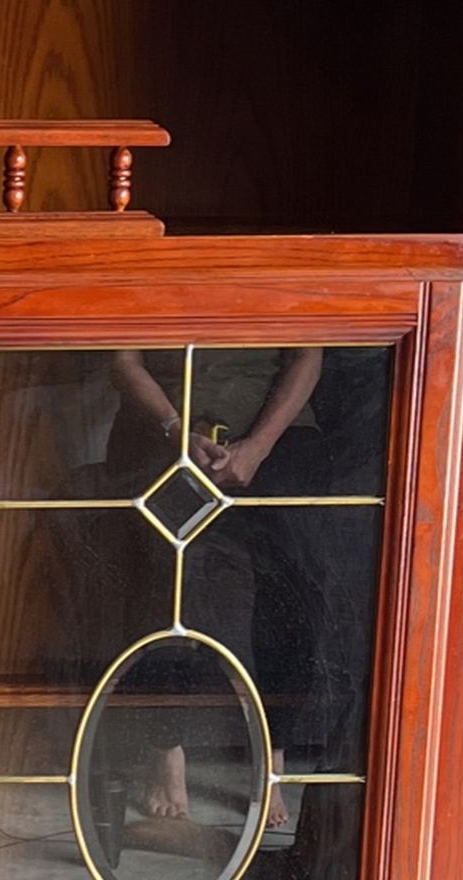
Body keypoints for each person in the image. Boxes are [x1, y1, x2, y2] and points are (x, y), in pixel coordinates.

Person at [104, 347, 329, 828]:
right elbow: (125, 361)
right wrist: (176, 433)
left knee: (297, 580)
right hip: (160, 432)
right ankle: (165, 750)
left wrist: (259, 447)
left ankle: (273, 757)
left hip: (277, 436)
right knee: (168, 575)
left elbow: (307, 355)